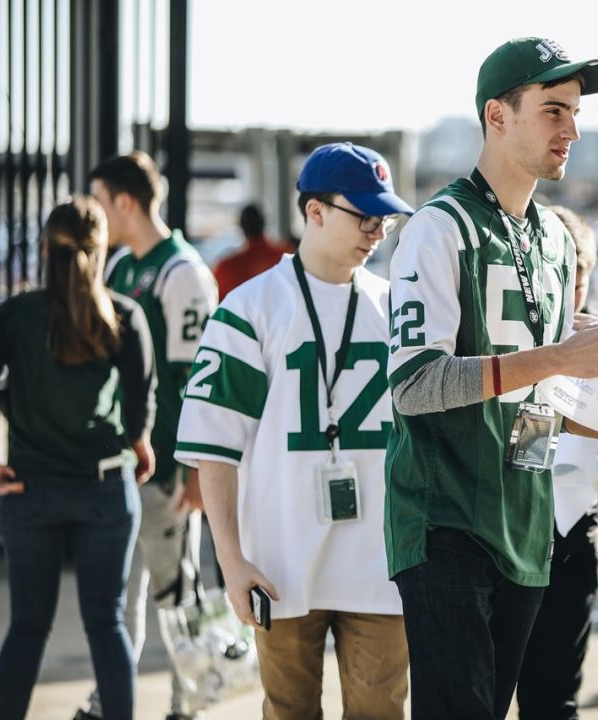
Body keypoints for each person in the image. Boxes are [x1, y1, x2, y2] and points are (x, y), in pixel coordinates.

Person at [384, 37, 598, 719]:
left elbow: (529, 402)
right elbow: (415, 386)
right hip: (445, 521)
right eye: (553, 111)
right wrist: (561, 358)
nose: (572, 129)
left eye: (573, 112)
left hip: (524, 523)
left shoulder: (554, 239)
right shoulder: (440, 226)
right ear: (497, 116)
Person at [175, 142, 415, 720]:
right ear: (315, 212)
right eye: (364, 215)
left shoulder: (400, 307)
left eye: (384, 218)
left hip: (380, 562)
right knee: (288, 712)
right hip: (279, 561)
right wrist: (230, 561)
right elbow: (216, 444)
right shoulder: (250, 307)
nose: (377, 231)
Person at [0, 196, 157, 720]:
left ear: (45, 248)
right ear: (102, 249)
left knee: (27, 626)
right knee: (107, 623)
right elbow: (141, 403)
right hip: (105, 490)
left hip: (30, 491)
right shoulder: (125, 315)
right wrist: (139, 445)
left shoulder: (16, 315)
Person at [81, 151, 219, 720]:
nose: (95, 214)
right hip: (123, 464)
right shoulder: (116, 269)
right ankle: (110, 699)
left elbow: (198, 379)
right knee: (121, 592)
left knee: (174, 592)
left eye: (99, 201)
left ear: (125, 203)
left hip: (164, 468)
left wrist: (194, 470)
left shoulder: (182, 272)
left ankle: (189, 700)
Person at [515, 205, 598, 720]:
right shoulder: (513, 342)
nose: (572, 293)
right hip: (512, 525)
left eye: (581, 278)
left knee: (555, 700)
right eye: (561, 275)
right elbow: (528, 451)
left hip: (572, 534)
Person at [212, 203, 294, 301]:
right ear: (264, 222)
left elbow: (216, 302)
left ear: (241, 226)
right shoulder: (288, 257)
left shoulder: (226, 267)